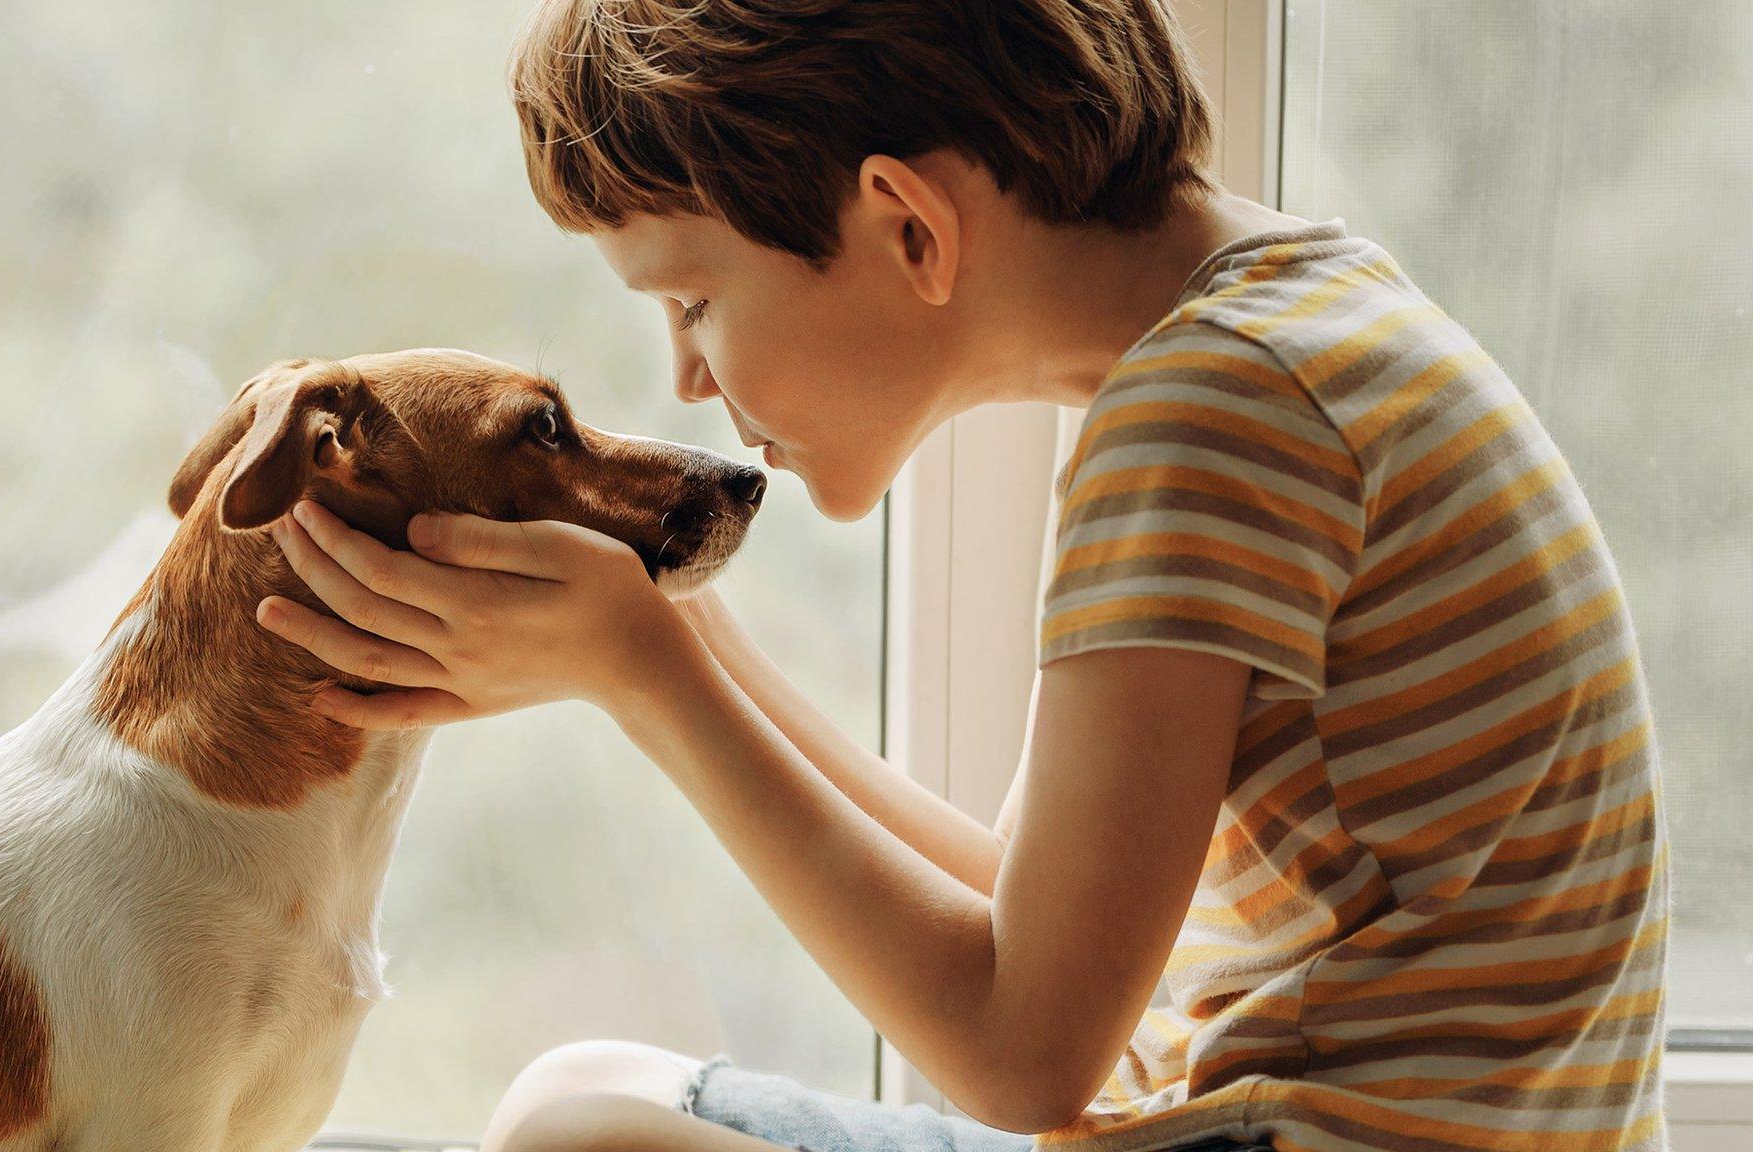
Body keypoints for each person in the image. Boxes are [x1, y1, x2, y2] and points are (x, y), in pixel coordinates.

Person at [252, 2, 1671, 1150]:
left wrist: (651, 682)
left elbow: (1024, 1052)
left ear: (908, 229)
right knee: (586, 1093)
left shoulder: (1204, 424)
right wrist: (692, 641)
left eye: (692, 300)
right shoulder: (1296, 325)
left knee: (577, 1135)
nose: (683, 373)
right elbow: (1039, 916)